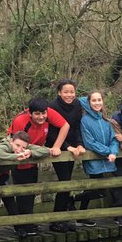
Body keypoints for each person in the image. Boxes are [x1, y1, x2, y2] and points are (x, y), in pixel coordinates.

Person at [7, 96, 69, 235]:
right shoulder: (20, 121)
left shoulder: (49, 113)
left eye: (43, 113)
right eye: (37, 114)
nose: (41, 117)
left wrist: (57, 146)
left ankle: (29, 223)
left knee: (32, 189)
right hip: (19, 157)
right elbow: (16, 143)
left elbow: (65, 125)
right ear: (30, 113)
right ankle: (23, 226)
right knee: (23, 191)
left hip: (34, 156)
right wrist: (35, 151)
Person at [0, 130, 50, 239]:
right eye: (17, 145)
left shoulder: (24, 147)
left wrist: (30, 152)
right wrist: (15, 157)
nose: (19, 149)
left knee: (9, 197)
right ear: (12, 141)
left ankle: (18, 228)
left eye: (23, 147)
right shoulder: (5, 146)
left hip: (2, 173)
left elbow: (45, 151)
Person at [46, 79, 87, 231]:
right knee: (64, 182)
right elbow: (51, 132)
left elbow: (77, 127)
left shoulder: (77, 105)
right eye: (66, 92)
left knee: (67, 182)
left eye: (72, 92)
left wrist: (79, 144)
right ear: (59, 92)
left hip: (71, 147)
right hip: (56, 147)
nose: (69, 95)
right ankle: (56, 221)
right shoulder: (52, 107)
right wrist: (66, 146)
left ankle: (63, 218)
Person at [76, 91, 120, 220]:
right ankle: (75, 205)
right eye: (93, 100)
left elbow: (114, 139)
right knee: (96, 190)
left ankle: (80, 214)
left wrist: (113, 151)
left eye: (99, 100)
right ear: (88, 103)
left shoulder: (106, 120)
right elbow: (89, 142)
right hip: (94, 160)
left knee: (98, 189)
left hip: (108, 161)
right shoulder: (85, 120)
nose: (97, 103)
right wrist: (108, 151)